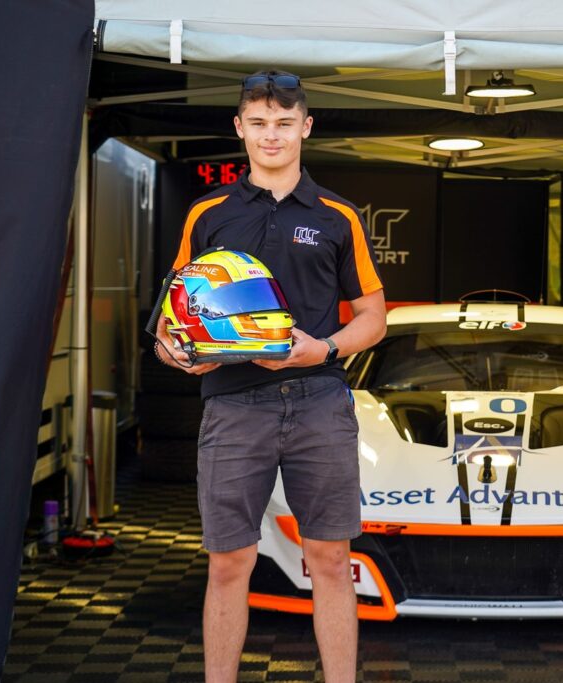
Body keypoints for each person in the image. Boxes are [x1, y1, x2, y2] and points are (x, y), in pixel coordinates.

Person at [155, 69, 386, 683]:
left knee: (330, 560)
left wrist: (324, 350)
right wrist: (179, 353)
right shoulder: (208, 214)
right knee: (229, 563)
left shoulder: (338, 215)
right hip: (233, 405)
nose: (271, 135)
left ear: (306, 127)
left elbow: (374, 318)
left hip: (319, 403)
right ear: (239, 128)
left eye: (284, 123)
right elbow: (171, 324)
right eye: (258, 123)